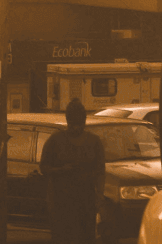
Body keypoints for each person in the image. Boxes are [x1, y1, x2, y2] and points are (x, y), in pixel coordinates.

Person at [39, 100, 106, 244]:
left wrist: (99, 196)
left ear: (84, 122)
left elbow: (101, 171)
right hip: (61, 202)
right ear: (67, 121)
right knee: (64, 237)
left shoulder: (94, 142)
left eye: (79, 124)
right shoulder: (55, 140)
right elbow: (43, 167)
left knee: (86, 237)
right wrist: (61, 170)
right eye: (72, 124)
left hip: (86, 201)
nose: (76, 128)